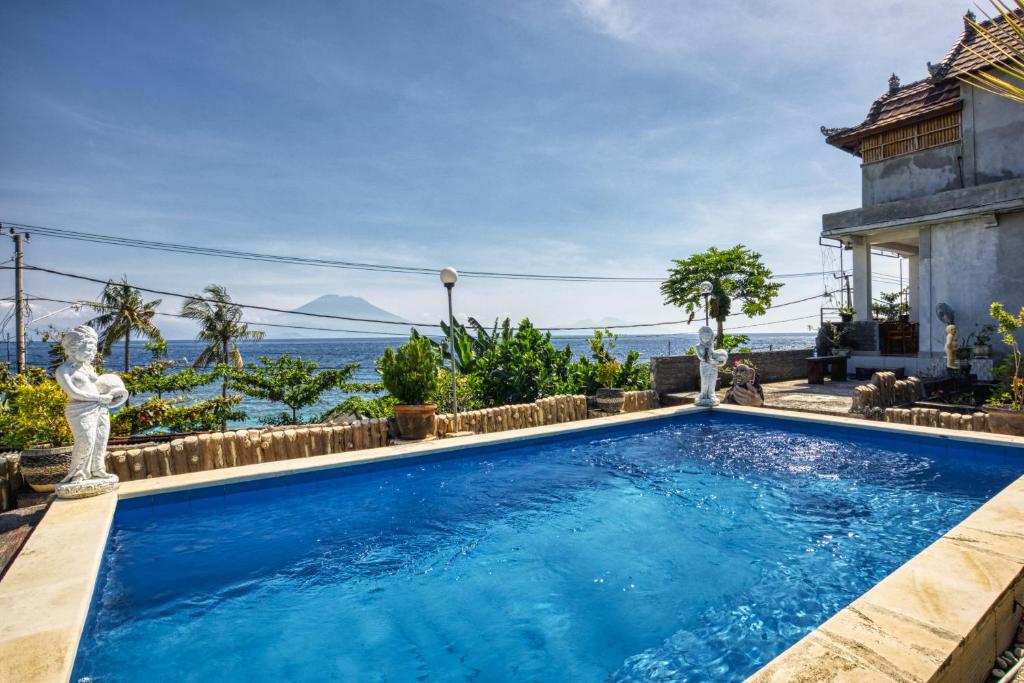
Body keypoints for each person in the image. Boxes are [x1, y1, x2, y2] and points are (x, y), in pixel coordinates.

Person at [55, 325, 127, 486]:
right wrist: (100, 398)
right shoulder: (63, 370)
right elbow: (74, 393)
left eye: (94, 350)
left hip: (100, 407)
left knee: (101, 440)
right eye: (88, 349)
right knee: (86, 440)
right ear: (74, 348)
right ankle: (78, 474)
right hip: (80, 409)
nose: (92, 354)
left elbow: (100, 383)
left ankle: (97, 469)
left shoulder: (88, 368)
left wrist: (114, 390)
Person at [695, 325, 728, 406]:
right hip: (704, 366)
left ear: (711, 337)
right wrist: (711, 361)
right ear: (700, 336)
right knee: (705, 380)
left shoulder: (710, 345)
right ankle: (703, 394)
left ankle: (711, 394)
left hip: (712, 366)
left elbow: (712, 354)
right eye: (704, 336)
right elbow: (701, 357)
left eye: (708, 336)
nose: (706, 338)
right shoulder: (698, 346)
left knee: (712, 380)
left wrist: (719, 359)